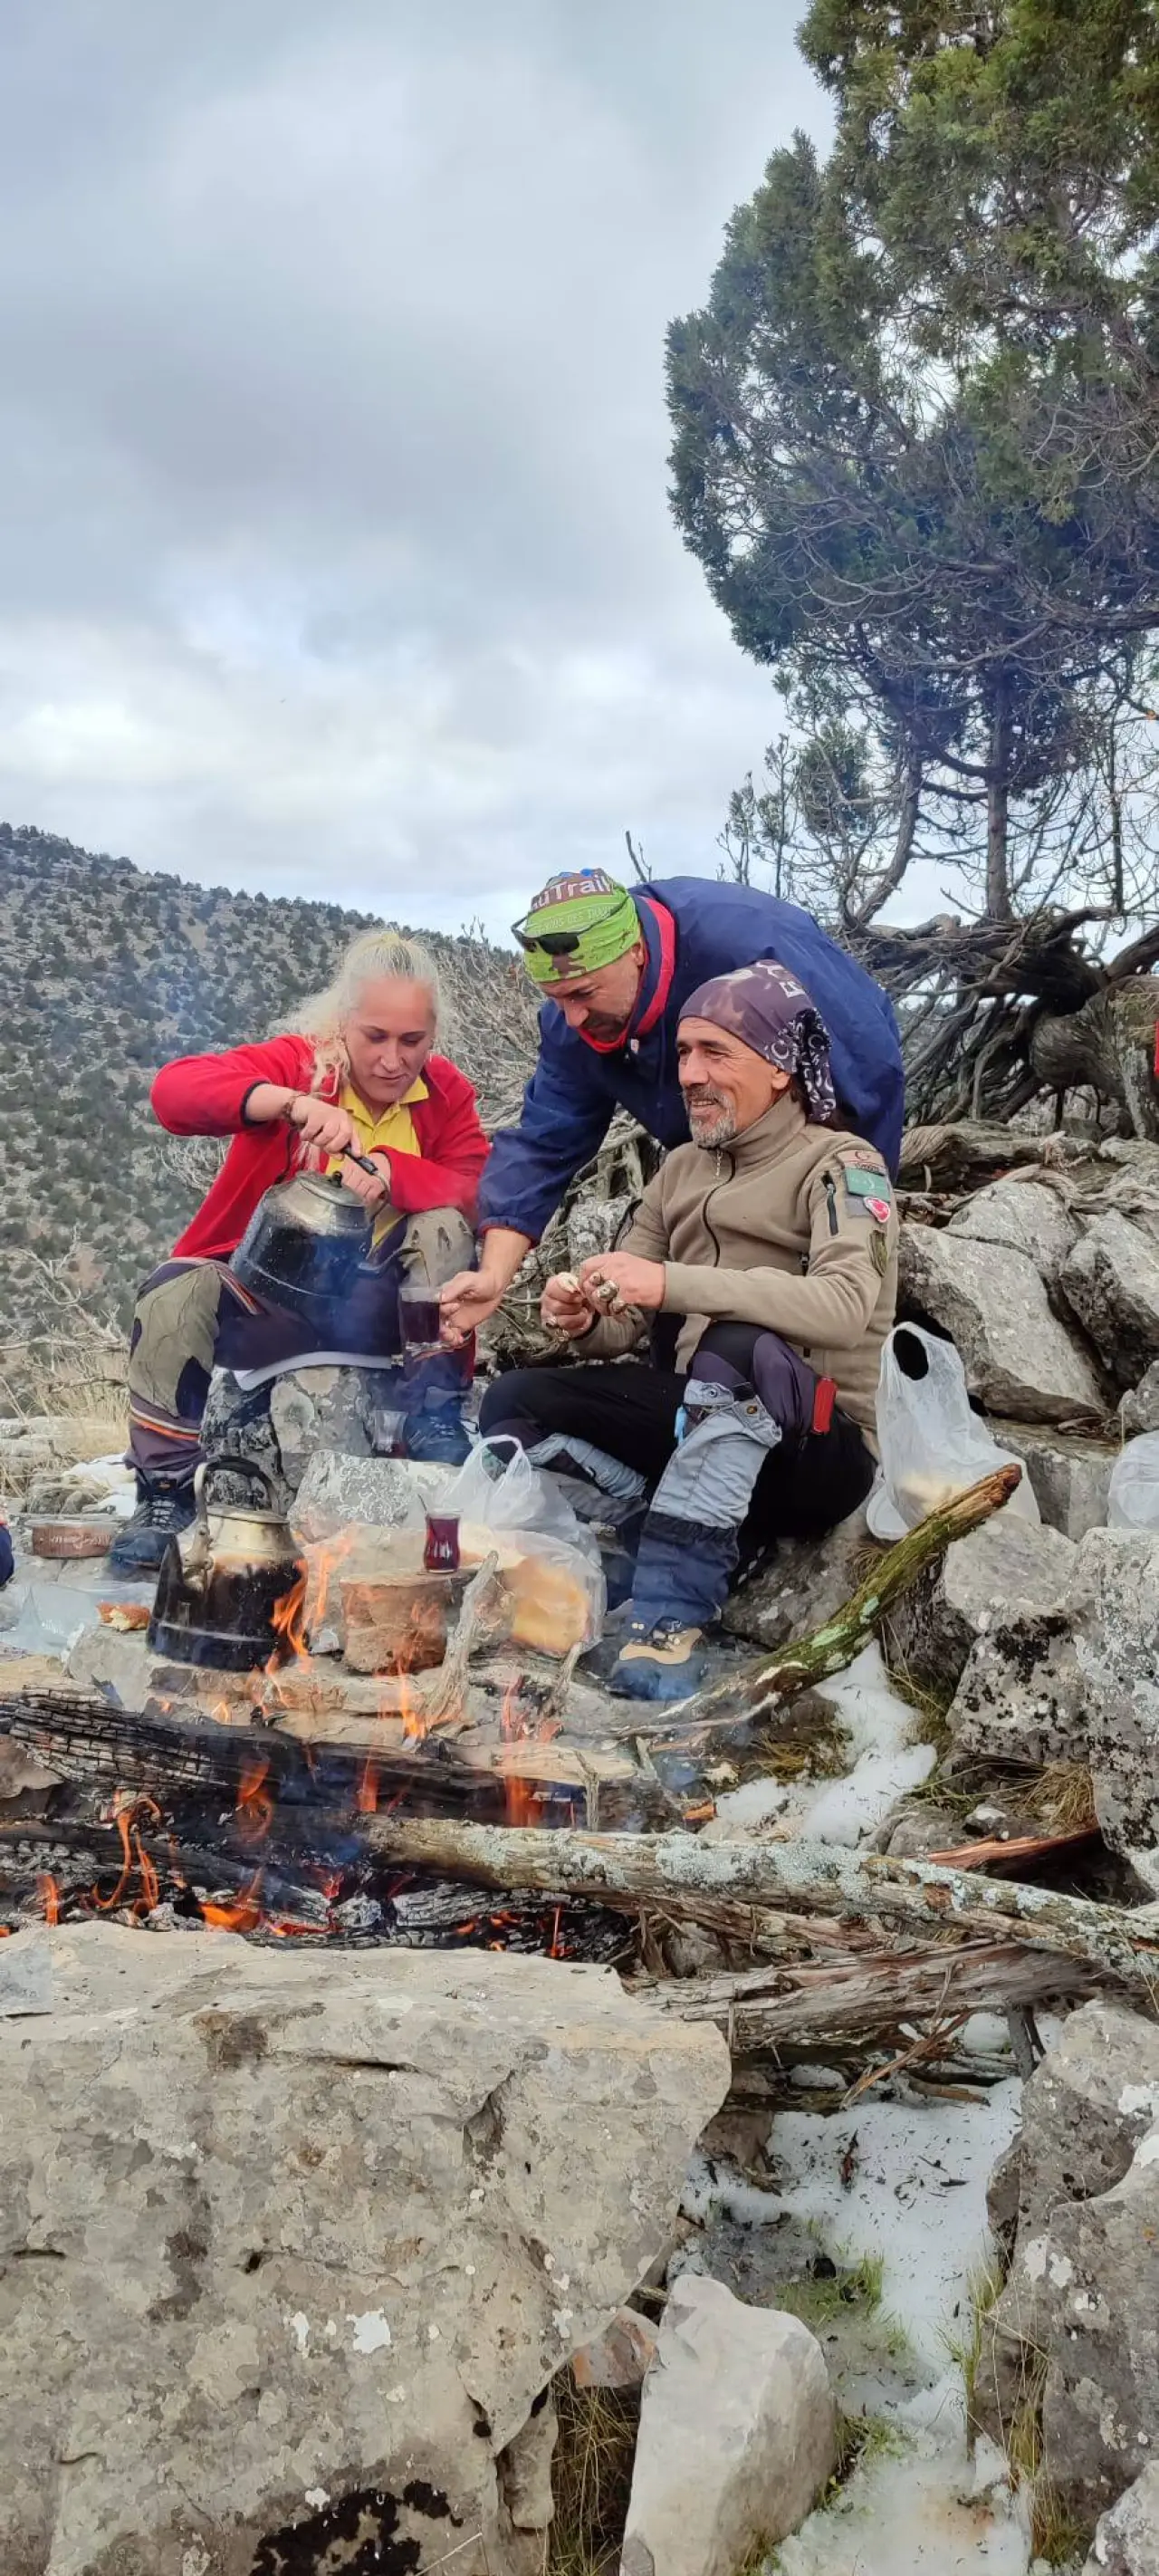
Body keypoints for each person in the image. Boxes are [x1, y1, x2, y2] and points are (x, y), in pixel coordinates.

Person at [478, 959, 898, 1700]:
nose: (691, 1075)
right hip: (697, 1421)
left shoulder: (844, 1165)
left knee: (734, 1350)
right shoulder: (679, 1170)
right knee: (514, 1400)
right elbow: (627, 1318)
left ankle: (669, 1622)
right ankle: (659, 1530)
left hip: (818, 1449)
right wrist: (585, 1317)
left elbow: (844, 1304)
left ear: (779, 1069)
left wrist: (672, 1283)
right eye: (683, 1053)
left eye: (716, 1053)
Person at [110, 927, 489, 1573]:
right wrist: (281, 1103)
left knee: (446, 1226)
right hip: (267, 1304)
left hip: (376, 1312)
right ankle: (164, 1491)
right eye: (375, 1036)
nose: (394, 1060)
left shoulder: (444, 1093)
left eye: (412, 1041)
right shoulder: (302, 1067)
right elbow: (174, 1093)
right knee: (175, 1290)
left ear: (432, 1038)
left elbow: (480, 1186)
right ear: (344, 1025)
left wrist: (393, 1172)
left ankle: (435, 1417)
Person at [440, 867, 903, 1344]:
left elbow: (868, 1073)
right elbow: (542, 1144)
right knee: (687, 1314)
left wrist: (852, 1208)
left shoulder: (752, 946)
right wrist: (495, 1275)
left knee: (765, 1321)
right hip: (701, 1149)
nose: (571, 1017)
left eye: (582, 994)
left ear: (637, 953)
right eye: (555, 999)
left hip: (810, 1128)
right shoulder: (573, 1019)